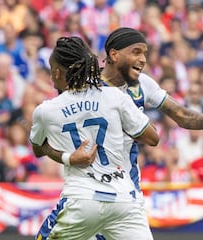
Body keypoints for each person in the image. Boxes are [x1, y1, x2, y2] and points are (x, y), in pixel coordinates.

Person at [37, 28, 203, 239]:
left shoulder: (142, 84)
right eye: (136, 52)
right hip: (90, 189)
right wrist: (68, 156)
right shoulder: (87, 89)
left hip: (125, 191)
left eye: (144, 53)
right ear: (114, 55)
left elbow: (180, 114)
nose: (142, 59)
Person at [30, 36, 158, 240]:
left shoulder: (46, 111)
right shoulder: (115, 97)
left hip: (82, 201)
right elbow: (152, 137)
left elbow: (38, 148)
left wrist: (68, 158)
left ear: (56, 72)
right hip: (124, 201)